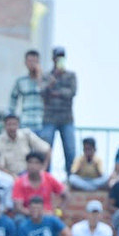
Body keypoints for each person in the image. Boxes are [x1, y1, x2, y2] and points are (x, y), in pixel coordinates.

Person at [39, 46, 77, 175]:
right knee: (46, 149)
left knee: (70, 150)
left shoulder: (71, 76)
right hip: (49, 118)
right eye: (57, 57)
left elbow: (71, 92)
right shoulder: (47, 76)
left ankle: (71, 178)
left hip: (66, 118)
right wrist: (52, 80)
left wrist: (56, 93)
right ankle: (46, 177)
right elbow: (42, 92)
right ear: (53, 59)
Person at [9, 49, 44, 132]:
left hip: (42, 124)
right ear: (25, 63)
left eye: (35, 61)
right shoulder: (21, 81)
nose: (32, 64)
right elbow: (13, 100)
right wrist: (11, 118)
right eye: (30, 61)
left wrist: (39, 77)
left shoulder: (45, 80)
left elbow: (47, 95)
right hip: (25, 122)